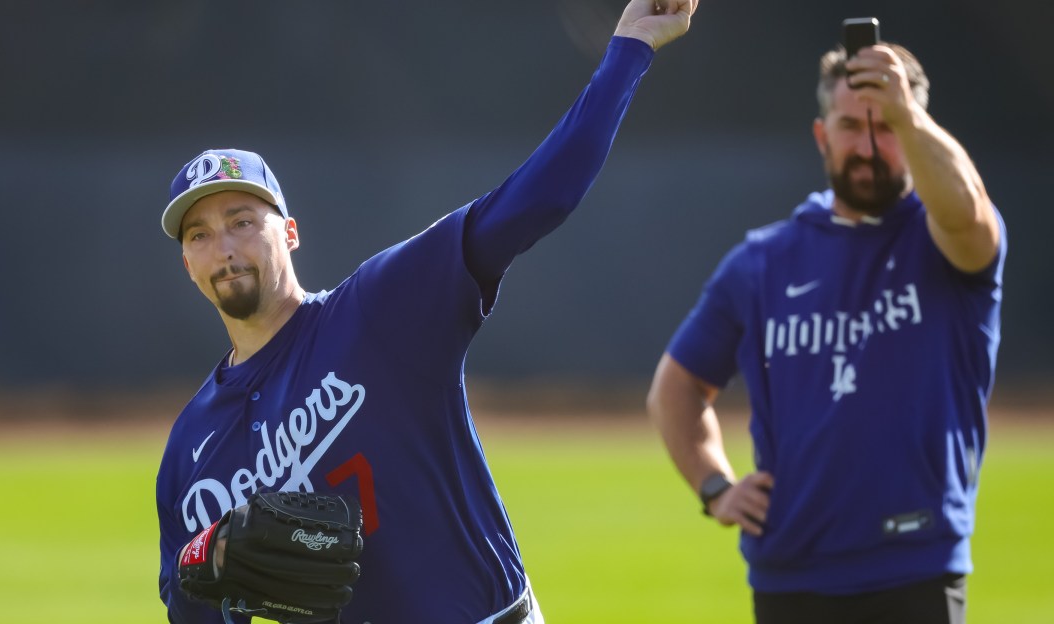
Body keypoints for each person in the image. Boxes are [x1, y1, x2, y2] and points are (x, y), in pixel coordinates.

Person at [155, 2, 699, 622]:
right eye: (199, 235)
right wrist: (203, 560)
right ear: (187, 264)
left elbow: (539, 196)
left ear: (291, 233)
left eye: (242, 222)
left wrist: (631, 45)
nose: (224, 248)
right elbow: (189, 606)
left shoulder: (381, 310)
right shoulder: (190, 451)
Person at [646, 34, 1005, 624]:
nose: (868, 147)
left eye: (886, 126)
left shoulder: (942, 240)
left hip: (916, 567)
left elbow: (968, 216)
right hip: (791, 576)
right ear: (822, 136)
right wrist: (716, 488)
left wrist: (908, 115)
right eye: (850, 126)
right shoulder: (763, 262)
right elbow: (675, 389)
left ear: (916, 130)